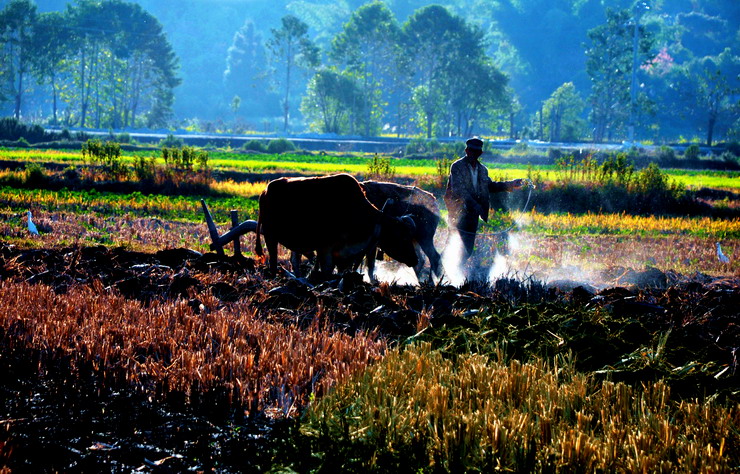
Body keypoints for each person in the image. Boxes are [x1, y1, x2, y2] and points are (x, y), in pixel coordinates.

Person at [444, 136, 524, 268]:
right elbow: (459, 190)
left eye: (476, 151)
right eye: (470, 150)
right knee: (452, 245)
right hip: (458, 212)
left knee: (467, 250)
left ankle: (453, 272)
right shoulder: (457, 166)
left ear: (480, 153)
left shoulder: (482, 170)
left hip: (473, 214)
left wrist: (510, 184)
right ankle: (440, 272)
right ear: (466, 150)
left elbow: (490, 186)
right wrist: (475, 205)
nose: (472, 153)